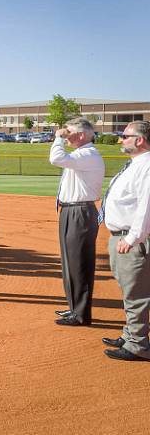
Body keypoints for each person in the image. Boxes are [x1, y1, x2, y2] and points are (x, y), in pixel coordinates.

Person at [100, 121, 150, 362]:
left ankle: (138, 344)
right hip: (120, 236)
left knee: (136, 293)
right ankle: (131, 334)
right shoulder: (136, 164)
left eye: (125, 136)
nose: (121, 139)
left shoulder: (147, 164)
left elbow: (146, 205)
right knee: (129, 288)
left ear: (139, 140)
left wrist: (132, 237)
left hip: (131, 238)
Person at [49, 118, 104, 326]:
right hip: (71, 211)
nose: (65, 134)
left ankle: (81, 313)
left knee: (79, 263)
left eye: (69, 132)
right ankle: (74, 307)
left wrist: (58, 138)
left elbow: (55, 158)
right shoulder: (81, 154)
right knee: (70, 262)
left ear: (81, 135)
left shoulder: (87, 154)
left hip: (80, 212)